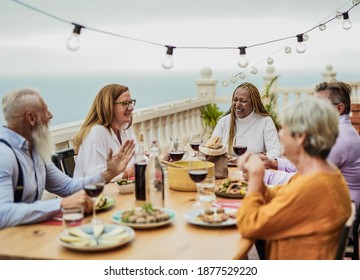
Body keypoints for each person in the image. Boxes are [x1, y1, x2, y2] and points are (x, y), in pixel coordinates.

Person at [0, 88, 135, 229]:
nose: (51, 116)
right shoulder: (4, 154)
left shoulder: (35, 151)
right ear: (31, 118)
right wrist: (61, 204)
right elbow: (2, 214)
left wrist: (108, 173)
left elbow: (67, 187)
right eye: (45, 111)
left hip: (27, 232)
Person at [236, 97, 352, 260]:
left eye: (283, 129)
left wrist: (256, 178)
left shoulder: (315, 185)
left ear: (300, 137)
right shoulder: (320, 173)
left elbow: (248, 225)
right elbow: (282, 196)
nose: (280, 135)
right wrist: (258, 178)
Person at [261, 81, 360, 211]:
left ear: (339, 109)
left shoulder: (338, 139)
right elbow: (308, 167)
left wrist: (264, 176)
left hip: (334, 208)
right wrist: (274, 163)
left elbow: (307, 179)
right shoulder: (336, 131)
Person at [73, 84, 138, 181]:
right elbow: (93, 178)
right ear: (109, 106)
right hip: (93, 195)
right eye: (125, 103)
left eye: (131, 102)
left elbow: (140, 159)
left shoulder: (126, 130)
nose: (131, 108)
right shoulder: (96, 133)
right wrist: (128, 172)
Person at [212, 82, 281, 160]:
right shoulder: (224, 121)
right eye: (235, 100)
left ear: (254, 103)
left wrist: (257, 159)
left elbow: (275, 151)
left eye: (243, 101)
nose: (237, 104)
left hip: (254, 169)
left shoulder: (265, 121)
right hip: (228, 170)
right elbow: (212, 148)